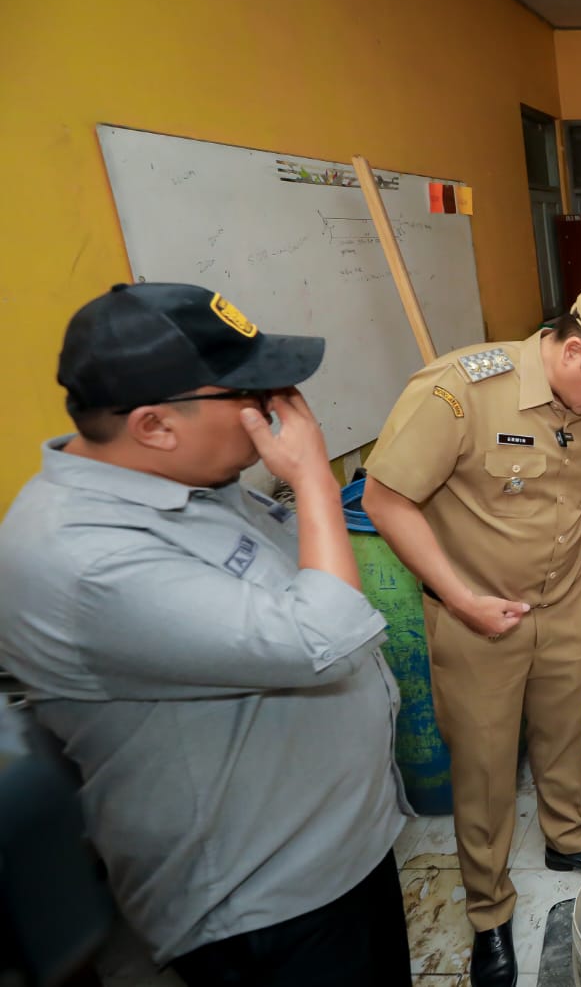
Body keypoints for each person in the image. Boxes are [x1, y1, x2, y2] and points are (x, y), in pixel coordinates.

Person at [0, 283, 410, 985]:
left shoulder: (193, 479)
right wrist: (313, 476)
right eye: (250, 394)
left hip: (339, 851)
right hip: (267, 899)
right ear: (156, 425)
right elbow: (327, 632)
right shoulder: (84, 558)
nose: (278, 408)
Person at [362, 278, 581, 987]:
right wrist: (460, 599)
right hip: (477, 617)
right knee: (484, 766)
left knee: (563, 730)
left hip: (564, 604)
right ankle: (489, 910)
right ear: (571, 351)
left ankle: (567, 838)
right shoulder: (461, 391)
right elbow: (385, 499)